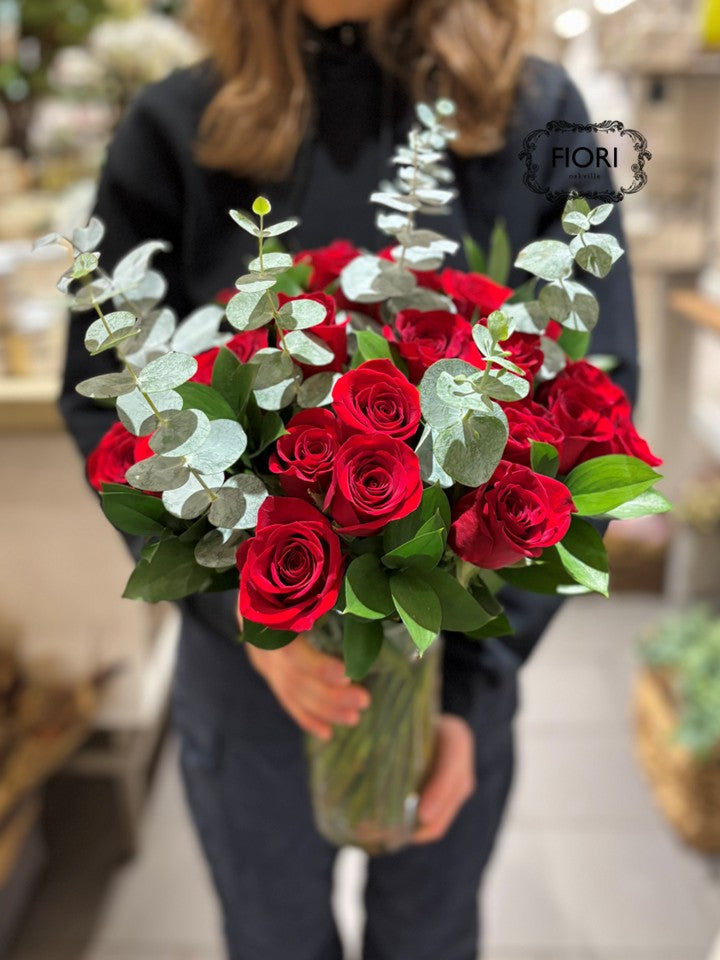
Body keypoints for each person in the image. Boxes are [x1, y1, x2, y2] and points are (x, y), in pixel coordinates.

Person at [60, 1, 639, 958]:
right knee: (271, 938)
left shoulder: (545, 110)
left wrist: (471, 690)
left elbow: (593, 391)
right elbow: (107, 399)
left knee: (431, 938)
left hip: (453, 670)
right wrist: (244, 617)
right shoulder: (174, 122)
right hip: (252, 680)